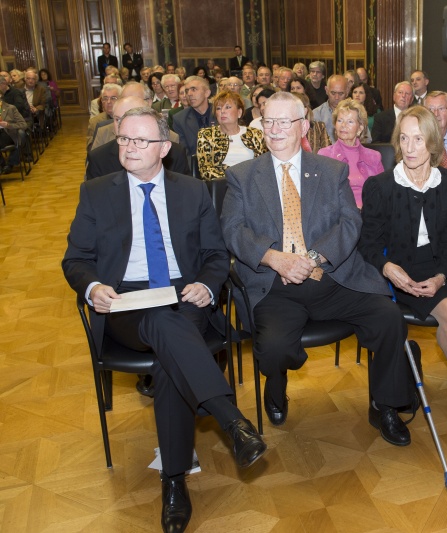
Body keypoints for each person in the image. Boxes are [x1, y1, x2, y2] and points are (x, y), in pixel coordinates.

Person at [63, 106, 266, 532]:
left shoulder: (192, 191)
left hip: (183, 295)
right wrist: (93, 287)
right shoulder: (96, 192)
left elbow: (214, 255)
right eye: (124, 139)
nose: (129, 147)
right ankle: (232, 421)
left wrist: (207, 285)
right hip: (124, 302)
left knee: (168, 353)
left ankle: (174, 482)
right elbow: (75, 259)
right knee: (161, 323)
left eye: (141, 140)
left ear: (164, 148)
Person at [220, 91, 416, 446]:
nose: (275, 129)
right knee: (274, 349)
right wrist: (274, 258)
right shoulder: (242, 175)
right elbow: (233, 230)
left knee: (389, 318)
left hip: (333, 278)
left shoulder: (331, 170)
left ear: (304, 126)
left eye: (284, 121)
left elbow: (350, 222)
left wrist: (313, 257)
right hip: (275, 286)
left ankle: (384, 404)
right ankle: (276, 384)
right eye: (269, 121)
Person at [359, 105, 447, 435]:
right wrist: (387, 267)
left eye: (418, 139)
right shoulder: (380, 187)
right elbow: (367, 244)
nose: (409, 147)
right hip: (406, 268)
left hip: (446, 263)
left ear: (433, 143)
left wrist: (441, 276)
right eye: (404, 138)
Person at [86, 95, 190, 180]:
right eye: (117, 119)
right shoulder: (98, 158)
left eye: (131, 119)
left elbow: (182, 192)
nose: (122, 125)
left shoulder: (175, 154)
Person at [318, 98, 382, 207]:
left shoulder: (374, 157)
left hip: (369, 212)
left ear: (360, 128)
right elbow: (322, 197)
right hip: (339, 213)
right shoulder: (324, 155)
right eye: (340, 120)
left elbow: (382, 193)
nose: (343, 125)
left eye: (350, 121)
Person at [196, 91, 267, 181]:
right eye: (218, 108)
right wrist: (234, 179)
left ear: (239, 112)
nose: (222, 111)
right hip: (222, 184)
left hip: (251, 182)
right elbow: (205, 170)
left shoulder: (255, 134)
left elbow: (263, 165)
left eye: (228, 107)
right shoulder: (206, 135)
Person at [171, 76, 216, 156]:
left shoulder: (220, 113)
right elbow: (184, 154)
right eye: (187, 91)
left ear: (207, 93)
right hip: (194, 162)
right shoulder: (180, 119)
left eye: (194, 89)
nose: (189, 94)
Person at [313, 74, 348, 142]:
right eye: (333, 93)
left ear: (347, 91)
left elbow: (366, 141)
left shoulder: (355, 114)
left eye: (341, 94)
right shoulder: (316, 114)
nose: (337, 97)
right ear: (326, 90)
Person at [87, 83, 122, 150]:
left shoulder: (127, 118)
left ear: (121, 100)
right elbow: (91, 148)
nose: (108, 102)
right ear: (102, 101)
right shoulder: (95, 122)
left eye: (113, 98)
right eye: (105, 98)